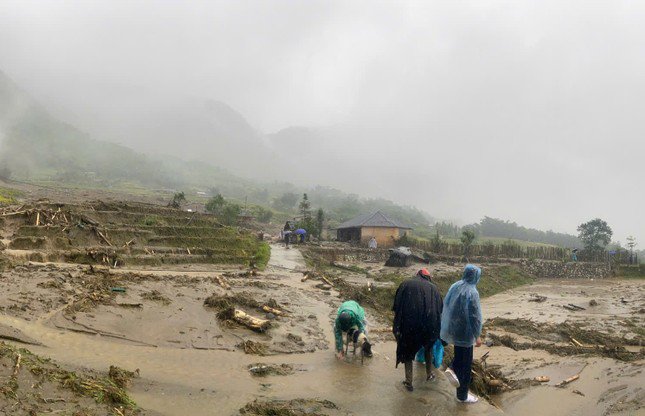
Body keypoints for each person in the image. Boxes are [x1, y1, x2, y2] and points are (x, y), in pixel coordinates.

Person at [392, 268, 443, 391]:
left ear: (417, 275)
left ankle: (409, 382)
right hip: (428, 324)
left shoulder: (406, 284)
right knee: (428, 347)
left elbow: (396, 306)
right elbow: (440, 309)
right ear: (428, 277)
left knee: (408, 351)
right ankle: (429, 374)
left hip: (410, 324)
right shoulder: (434, 289)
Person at [440, 264, 483, 404]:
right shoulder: (472, 292)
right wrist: (477, 335)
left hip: (454, 328)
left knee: (460, 355)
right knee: (465, 364)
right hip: (466, 332)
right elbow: (475, 316)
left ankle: (452, 368)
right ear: (475, 276)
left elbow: (446, 304)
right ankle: (462, 396)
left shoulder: (455, 286)